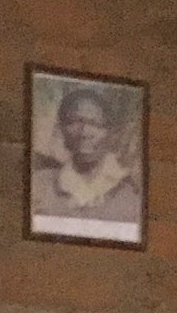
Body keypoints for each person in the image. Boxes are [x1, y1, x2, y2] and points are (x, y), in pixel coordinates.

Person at [30, 87, 142, 229]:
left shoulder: (130, 196)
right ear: (61, 129)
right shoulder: (39, 184)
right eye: (75, 122)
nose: (84, 132)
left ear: (111, 133)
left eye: (95, 124)